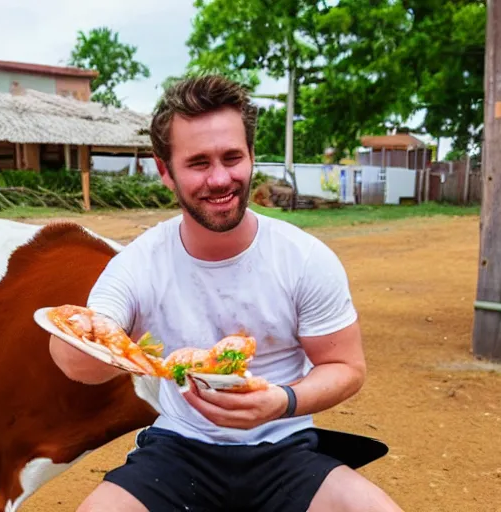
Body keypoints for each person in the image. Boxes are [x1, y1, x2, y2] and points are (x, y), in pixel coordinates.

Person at [49, 75, 403, 512]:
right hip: (179, 447)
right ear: (165, 171)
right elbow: (84, 346)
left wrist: (282, 401)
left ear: (252, 156)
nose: (220, 179)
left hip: (285, 444)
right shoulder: (138, 264)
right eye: (198, 162)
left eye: (232, 157)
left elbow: (346, 366)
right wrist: (85, 348)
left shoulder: (304, 257)